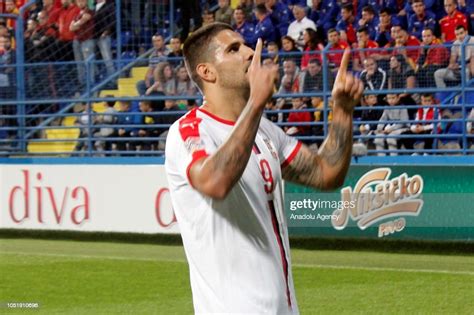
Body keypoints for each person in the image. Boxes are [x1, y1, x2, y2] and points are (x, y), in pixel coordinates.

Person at [165, 22, 363, 314]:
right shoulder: (189, 130)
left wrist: (343, 111)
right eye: (233, 49)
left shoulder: (266, 131)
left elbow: (326, 173)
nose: (249, 53)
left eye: (244, 44)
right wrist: (256, 103)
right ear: (207, 72)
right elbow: (214, 182)